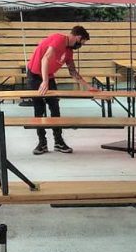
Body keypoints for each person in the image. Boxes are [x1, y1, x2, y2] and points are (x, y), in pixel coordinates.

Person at [27, 25, 92, 155]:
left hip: (48, 76)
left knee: (55, 107)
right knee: (39, 109)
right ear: (78, 37)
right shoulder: (59, 39)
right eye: (82, 42)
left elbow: (73, 72)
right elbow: (45, 58)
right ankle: (42, 143)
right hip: (35, 75)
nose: (80, 46)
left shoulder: (68, 51)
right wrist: (44, 81)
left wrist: (88, 87)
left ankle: (58, 141)